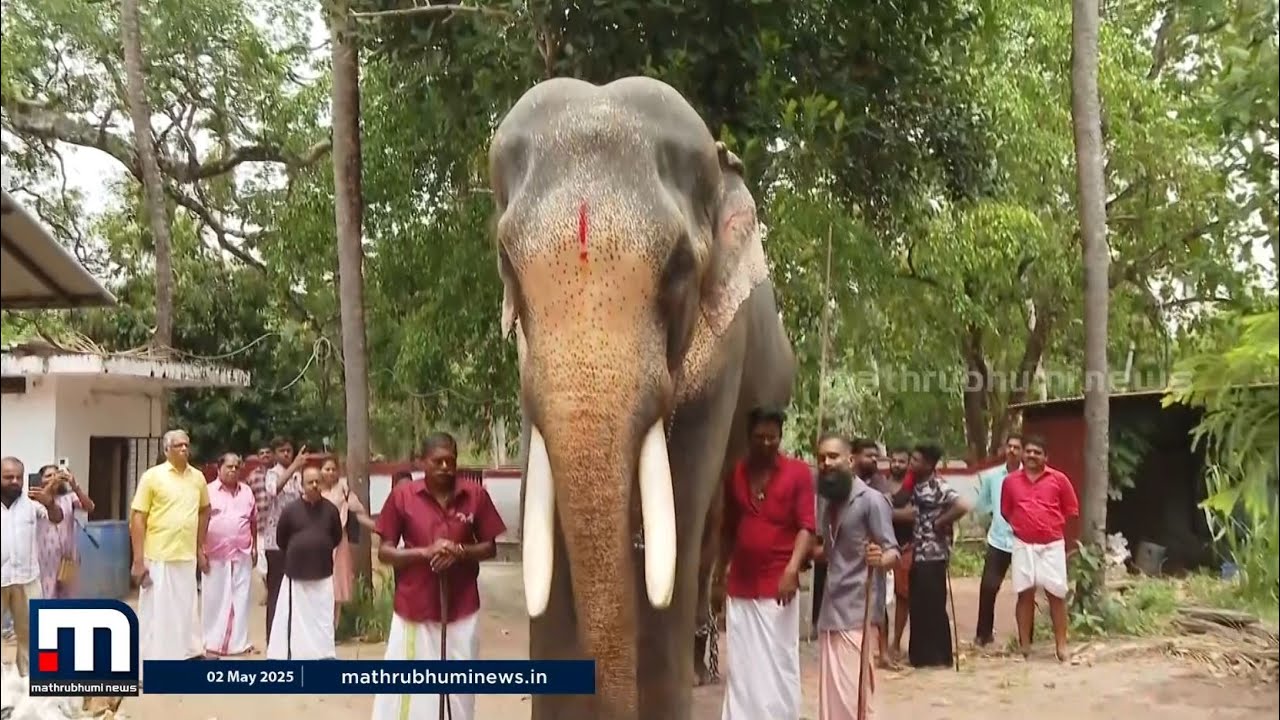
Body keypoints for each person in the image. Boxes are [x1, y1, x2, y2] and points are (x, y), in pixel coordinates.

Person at [371, 433, 507, 720]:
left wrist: (458, 551)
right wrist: (426, 553)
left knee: (459, 687)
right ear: (423, 462)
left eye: (451, 461)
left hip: (462, 607)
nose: (445, 466)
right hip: (414, 608)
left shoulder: (475, 495)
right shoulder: (402, 496)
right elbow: (385, 552)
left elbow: (489, 546)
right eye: (438, 461)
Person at [720, 407, 816, 720]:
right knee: (744, 665)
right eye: (759, 437)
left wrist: (791, 570)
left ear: (780, 437)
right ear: (749, 437)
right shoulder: (736, 473)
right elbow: (729, 529)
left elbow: (806, 526)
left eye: (771, 438)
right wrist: (720, 574)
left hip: (778, 586)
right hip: (741, 585)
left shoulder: (798, 473)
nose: (765, 444)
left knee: (778, 661)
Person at [811, 435, 899, 720]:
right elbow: (829, 550)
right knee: (832, 699)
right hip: (830, 609)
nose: (826, 463)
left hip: (859, 610)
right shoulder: (827, 502)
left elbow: (893, 552)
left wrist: (879, 558)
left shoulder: (872, 500)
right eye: (822, 457)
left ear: (850, 461)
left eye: (833, 456)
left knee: (854, 696)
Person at [129, 429, 211, 661]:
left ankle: (186, 656)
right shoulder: (152, 477)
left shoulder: (197, 477)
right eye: (178, 445)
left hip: (185, 555)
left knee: (186, 611)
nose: (184, 449)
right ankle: (148, 663)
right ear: (166, 450)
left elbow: (205, 510)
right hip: (158, 555)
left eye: (186, 444)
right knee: (156, 612)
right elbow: (138, 517)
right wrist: (138, 560)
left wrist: (200, 545)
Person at [1000, 435, 1079, 662]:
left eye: (1038, 452)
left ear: (1046, 457)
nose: (1032, 455)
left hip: (1052, 545)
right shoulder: (1010, 481)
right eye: (1029, 451)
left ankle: (1061, 646)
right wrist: (1024, 525)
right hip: (1022, 544)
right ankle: (1025, 647)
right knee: (1024, 594)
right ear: (1023, 454)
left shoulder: (1059, 480)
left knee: (1056, 594)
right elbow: (1006, 511)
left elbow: (1070, 509)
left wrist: (1048, 525)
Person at [267, 466, 343, 660]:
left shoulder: (331, 510)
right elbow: (281, 539)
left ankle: (325, 655)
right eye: (310, 482)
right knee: (298, 619)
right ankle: (299, 654)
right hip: (297, 574)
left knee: (323, 617)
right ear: (301, 486)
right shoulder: (290, 510)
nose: (315, 485)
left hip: (323, 573)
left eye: (318, 481)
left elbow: (336, 537)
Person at [906, 443, 970, 669]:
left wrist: (941, 522)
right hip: (916, 551)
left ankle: (940, 656)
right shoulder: (914, 484)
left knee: (933, 605)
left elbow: (962, 505)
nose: (911, 464)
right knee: (918, 604)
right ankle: (920, 656)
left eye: (916, 460)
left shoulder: (937, 485)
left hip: (933, 553)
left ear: (928, 464)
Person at [1, 456, 64, 676]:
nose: (15, 481)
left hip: (27, 580)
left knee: (30, 635)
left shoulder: (32, 504)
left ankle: (28, 681)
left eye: (19, 477)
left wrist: (50, 502)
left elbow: (56, 518)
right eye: (8, 477)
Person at [202, 453, 257, 656]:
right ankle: (211, 642)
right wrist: (200, 551)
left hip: (242, 552)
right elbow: (200, 523)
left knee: (241, 598)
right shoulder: (207, 492)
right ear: (219, 468)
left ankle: (239, 643)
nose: (233, 470)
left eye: (236, 467)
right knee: (214, 599)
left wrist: (254, 547)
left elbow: (253, 520)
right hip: (215, 554)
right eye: (229, 466)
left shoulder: (247, 492)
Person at [973, 433, 1023, 647]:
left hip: (1023, 541)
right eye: (1009, 446)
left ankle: (1025, 638)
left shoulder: (1028, 476)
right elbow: (982, 505)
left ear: (1022, 451)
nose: (1012, 450)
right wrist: (993, 516)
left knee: (1025, 590)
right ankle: (983, 634)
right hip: (998, 540)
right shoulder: (993, 477)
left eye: (1016, 447)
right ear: (1004, 449)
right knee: (988, 587)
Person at [262, 437, 308, 637]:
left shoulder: (299, 476)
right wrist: (294, 467)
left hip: (296, 541)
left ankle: (291, 633)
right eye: (282, 451)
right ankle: (273, 635)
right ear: (275, 454)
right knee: (276, 590)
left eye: (289, 450)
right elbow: (273, 490)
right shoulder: (272, 474)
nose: (287, 454)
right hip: (276, 542)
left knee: (296, 590)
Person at [319, 455, 371, 625]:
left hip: (339, 543)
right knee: (320, 586)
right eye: (327, 469)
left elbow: (359, 512)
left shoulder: (344, 490)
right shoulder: (315, 490)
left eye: (333, 469)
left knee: (338, 586)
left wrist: (378, 527)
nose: (330, 473)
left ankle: (334, 628)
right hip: (319, 543)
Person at [36, 463, 95, 598]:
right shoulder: (37, 498)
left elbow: (90, 507)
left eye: (56, 475)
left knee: (68, 593)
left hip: (68, 556)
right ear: (41, 480)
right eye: (48, 476)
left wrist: (75, 486)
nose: (53, 478)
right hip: (44, 557)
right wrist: (51, 485)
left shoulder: (69, 497)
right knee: (47, 593)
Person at [883, 446, 914, 662]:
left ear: (909, 463)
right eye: (894, 460)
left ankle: (896, 642)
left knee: (903, 597)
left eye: (902, 461)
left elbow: (914, 515)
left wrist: (885, 513)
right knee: (880, 598)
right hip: (883, 546)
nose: (897, 465)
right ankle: (882, 646)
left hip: (906, 547)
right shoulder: (880, 484)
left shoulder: (913, 486)